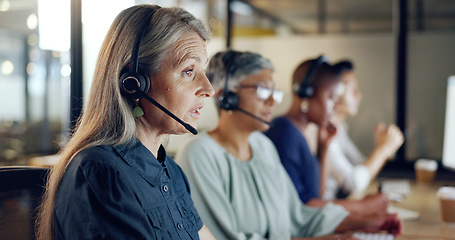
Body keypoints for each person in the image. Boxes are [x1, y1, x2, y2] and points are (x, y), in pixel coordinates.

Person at [176, 50, 400, 240]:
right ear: (227, 97)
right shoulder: (198, 154)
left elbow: (297, 216)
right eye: (263, 90)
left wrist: (361, 224)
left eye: (274, 92)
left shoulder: (263, 147)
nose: (272, 101)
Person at [36, 5, 216, 239]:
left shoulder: (172, 172)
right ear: (134, 83)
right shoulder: (99, 173)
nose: (208, 89)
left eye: (203, 71)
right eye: (188, 71)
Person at [264, 57, 399, 220]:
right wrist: (363, 207)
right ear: (306, 93)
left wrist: (324, 147)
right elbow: (302, 207)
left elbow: (317, 195)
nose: (335, 106)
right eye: (330, 98)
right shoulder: (284, 133)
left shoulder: (304, 133)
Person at [323, 60, 404, 200]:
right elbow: (354, 182)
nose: (359, 95)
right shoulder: (323, 132)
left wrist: (382, 150)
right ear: (333, 92)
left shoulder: (340, 128)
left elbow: (360, 166)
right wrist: (382, 150)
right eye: (351, 88)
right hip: (328, 210)